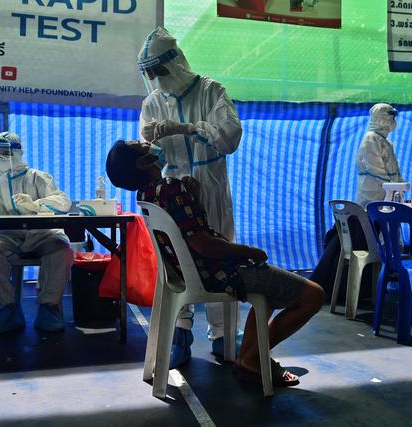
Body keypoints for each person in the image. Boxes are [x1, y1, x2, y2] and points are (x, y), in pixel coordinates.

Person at [106, 140, 325, 386]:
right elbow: (203, 244)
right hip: (219, 272)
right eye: (140, 144)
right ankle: (254, 357)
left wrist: (194, 197)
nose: (149, 143)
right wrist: (247, 251)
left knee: (267, 294)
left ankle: (251, 359)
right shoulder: (170, 188)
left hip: (193, 272)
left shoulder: (147, 194)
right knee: (313, 296)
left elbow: (188, 234)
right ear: (144, 162)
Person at [137, 27, 244, 366]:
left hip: (209, 183)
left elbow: (229, 137)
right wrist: (150, 142)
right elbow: (148, 155)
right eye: (150, 74)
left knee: (219, 253)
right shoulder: (152, 102)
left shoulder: (211, 91)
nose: (156, 79)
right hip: (172, 188)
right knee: (176, 260)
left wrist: (189, 128)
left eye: (160, 71)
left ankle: (223, 335)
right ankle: (179, 333)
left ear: (176, 62)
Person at [0, 132, 74, 335]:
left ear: (19, 152)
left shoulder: (38, 177)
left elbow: (63, 201)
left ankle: (49, 307)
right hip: (9, 238)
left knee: (62, 251)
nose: (2, 156)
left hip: (43, 235)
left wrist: (37, 204)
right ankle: (7, 308)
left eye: (7, 152)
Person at [356, 103, 404, 208]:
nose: (393, 120)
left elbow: (393, 167)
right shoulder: (370, 138)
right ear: (381, 118)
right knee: (372, 220)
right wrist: (391, 185)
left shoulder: (386, 142)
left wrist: (400, 183)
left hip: (387, 191)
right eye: (390, 116)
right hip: (373, 191)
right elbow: (373, 166)